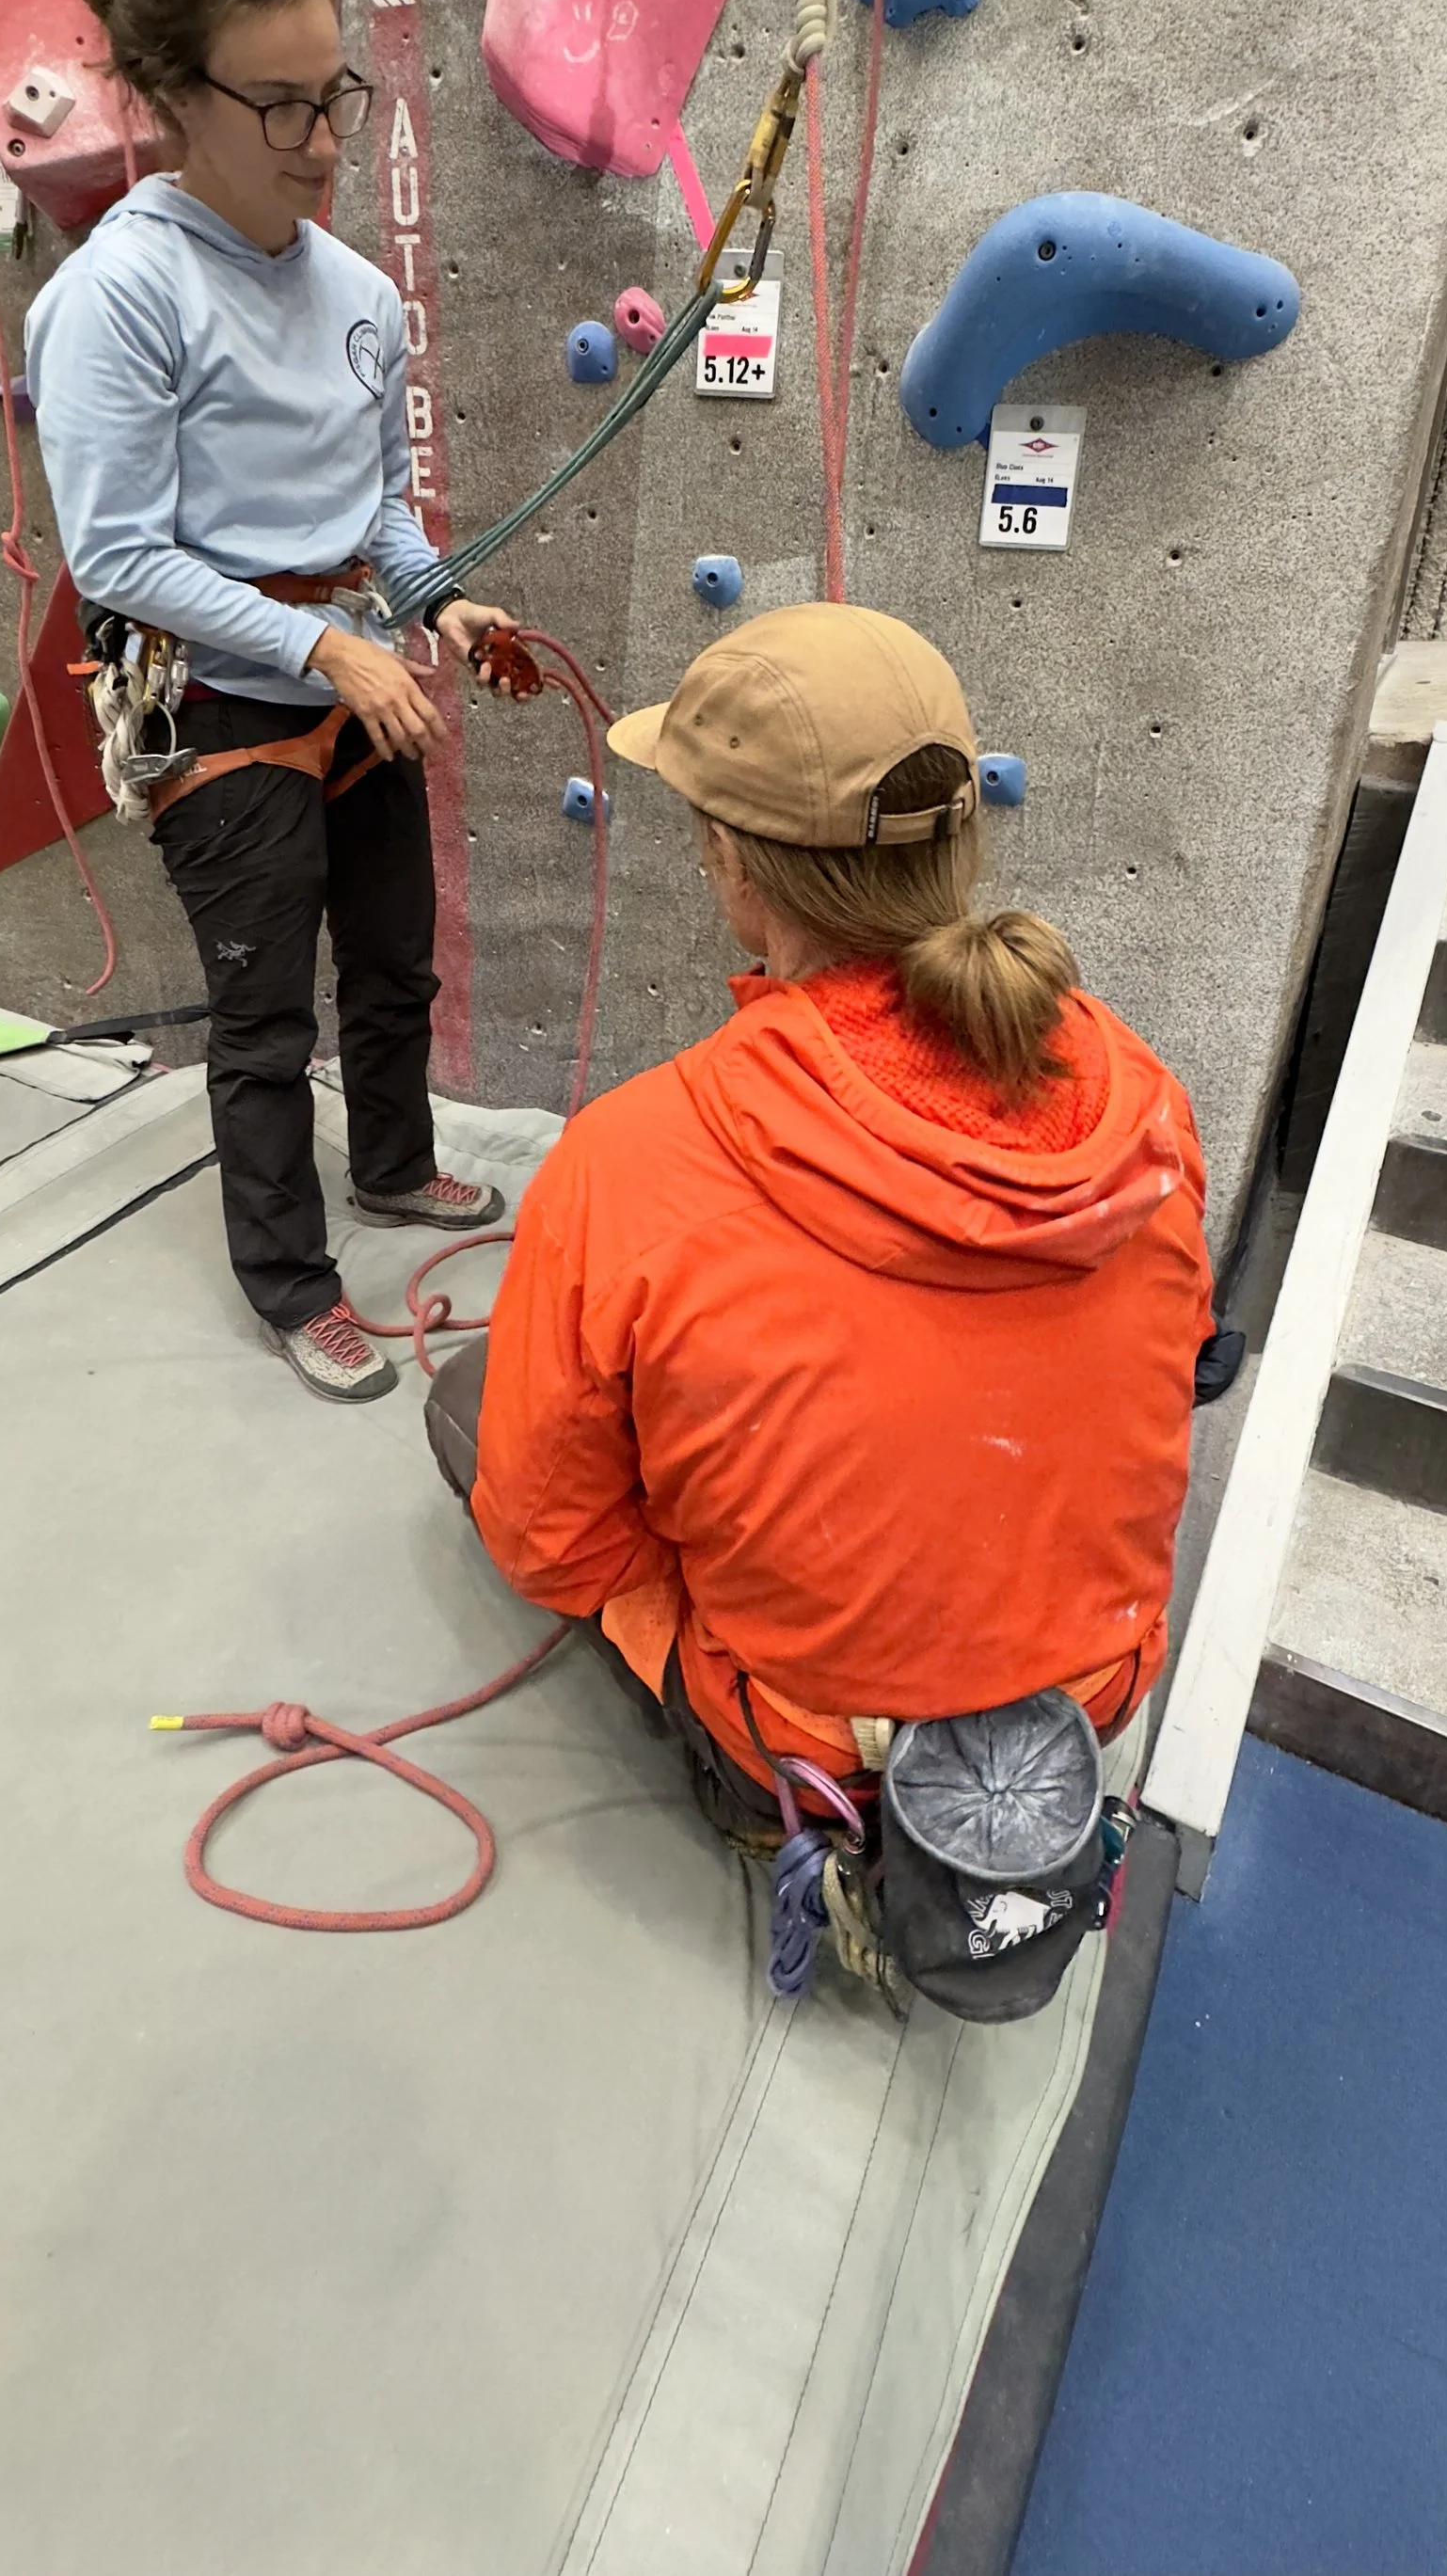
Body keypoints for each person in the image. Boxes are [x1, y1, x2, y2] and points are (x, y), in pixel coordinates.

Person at [426, 603, 1216, 1996]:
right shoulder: (1144, 1103)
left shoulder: (635, 1158)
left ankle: (771, 1800)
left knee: (472, 1404)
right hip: (1084, 1707)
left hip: (814, 1742)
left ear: (735, 868)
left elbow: (551, 1541)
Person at [25, 0, 517, 1403]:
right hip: (217, 702)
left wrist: (441, 601)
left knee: (394, 956)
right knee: (261, 1015)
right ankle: (293, 1283)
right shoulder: (121, 298)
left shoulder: (358, 292)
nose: (322, 140)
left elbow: (376, 513)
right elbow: (118, 556)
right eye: (282, 105)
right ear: (176, 95)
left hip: (351, 673)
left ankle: (395, 1165)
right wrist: (325, 653)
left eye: (335, 96)